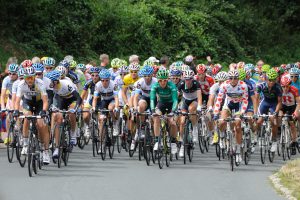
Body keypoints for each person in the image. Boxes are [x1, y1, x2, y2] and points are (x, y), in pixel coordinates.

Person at [14, 67, 50, 164]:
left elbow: (45, 101)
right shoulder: (21, 84)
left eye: (31, 77)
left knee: (41, 125)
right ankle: (25, 144)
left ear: (34, 77)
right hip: (28, 102)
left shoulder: (40, 83)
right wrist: (16, 110)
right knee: (27, 117)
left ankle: (45, 151)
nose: (29, 80)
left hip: (39, 103)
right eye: (27, 78)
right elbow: (17, 101)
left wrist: (43, 111)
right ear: (24, 78)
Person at [213, 70, 249, 164]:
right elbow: (219, 100)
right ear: (228, 79)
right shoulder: (224, 85)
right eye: (231, 78)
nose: (233, 80)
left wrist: (242, 112)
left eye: (235, 78)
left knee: (237, 126)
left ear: (238, 79)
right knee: (221, 122)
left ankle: (237, 152)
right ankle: (221, 136)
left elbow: (245, 100)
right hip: (228, 105)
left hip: (239, 106)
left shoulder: (243, 86)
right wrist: (216, 112)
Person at [150, 69, 178, 153]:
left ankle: (173, 143)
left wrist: (172, 111)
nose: (163, 82)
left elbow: (175, 100)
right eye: (160, 80)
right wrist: (152, 111)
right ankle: (157, 141)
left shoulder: (172, 86)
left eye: (165, 80)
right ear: (158, 80)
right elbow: (152, 99)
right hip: (161, 103)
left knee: (172, 122)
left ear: (168, 80)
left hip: (171, 104)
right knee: (156, 118)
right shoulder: (155, 86)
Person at [255, 69, 282, 153]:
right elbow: (256, 99)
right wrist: (256, 113)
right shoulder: (260, 85)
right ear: (266, 79)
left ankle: (274, 141)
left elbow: (279, 102)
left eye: (273, 80)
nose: (271, 82)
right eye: (269, 80)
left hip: (274, 104)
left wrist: (275, 112)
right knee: (259, 121)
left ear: (276, 79)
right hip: (265, 102)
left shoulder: (278, 87)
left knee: (274, 122)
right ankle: (259, 136)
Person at [177, 69, 202, 156]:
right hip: (185, 101)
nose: (188, 81)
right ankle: (181, 142)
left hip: (194, 100)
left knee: (191, 109)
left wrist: (199, 106)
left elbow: (199, 96)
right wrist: (175, 107)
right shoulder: (181, 84)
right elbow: (176, 96)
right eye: (186, 79)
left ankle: (194, 128)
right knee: (182, 121)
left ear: (192, 79)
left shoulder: (196, 83)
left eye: (189, 79)